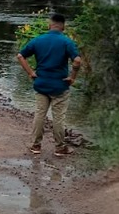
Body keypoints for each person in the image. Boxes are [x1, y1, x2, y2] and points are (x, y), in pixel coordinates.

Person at [15, 13, 81, 156]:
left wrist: (30, 73)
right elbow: (77, 60)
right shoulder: (66, 42)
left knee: (40, 114)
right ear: (63, 27)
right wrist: (72, 77)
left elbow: (20, 56)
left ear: (49, 25)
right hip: (60, 85)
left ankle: (35, 146)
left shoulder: (38, 40)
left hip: (41, 83)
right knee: (58, 118)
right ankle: (60, 147)